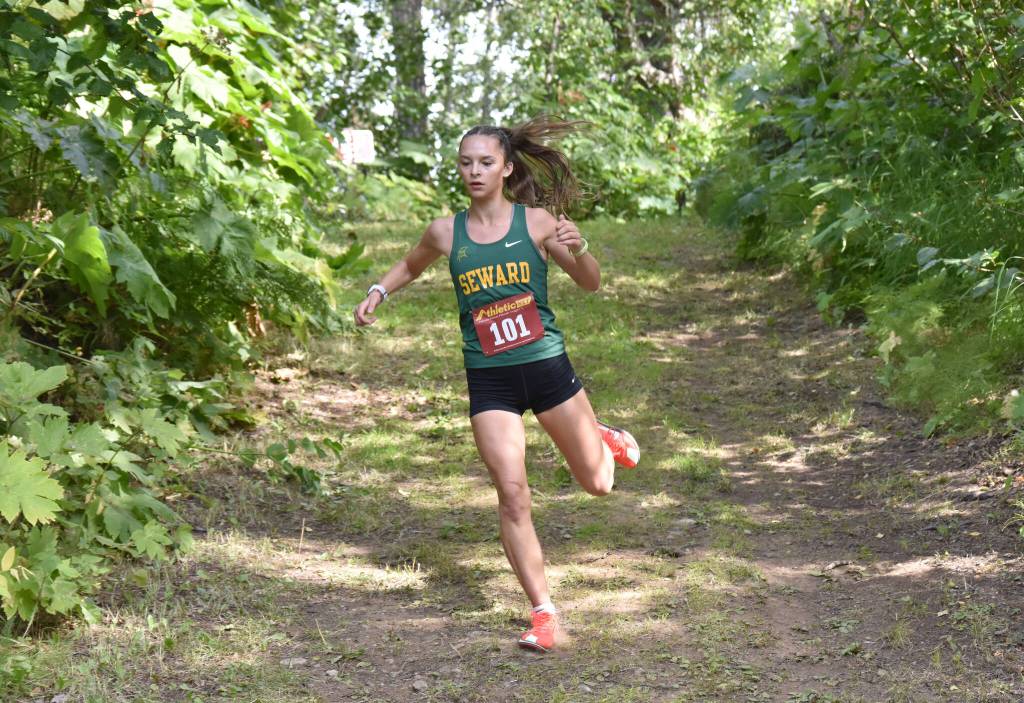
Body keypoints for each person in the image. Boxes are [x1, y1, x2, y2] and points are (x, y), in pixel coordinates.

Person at [353, 115, 640, 653]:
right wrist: (378, 292)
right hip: (490, 381)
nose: (474, 171)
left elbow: (591, 282)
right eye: (466, 162)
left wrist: (578, 248)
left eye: (486, 162)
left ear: (507, 168)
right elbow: (411, 265)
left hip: (548, 369)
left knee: (599, 484)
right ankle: (545, 613)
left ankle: (601, 437)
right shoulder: (446, 231)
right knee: (512, 493)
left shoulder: (537, 223)